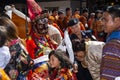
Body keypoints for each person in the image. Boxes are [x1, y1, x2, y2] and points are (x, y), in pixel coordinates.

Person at [100, 5, 120, 80]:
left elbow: (108, 76)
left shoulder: (112, 45)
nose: (102, 23)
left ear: (117, 21)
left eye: (105, 20)